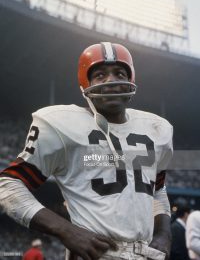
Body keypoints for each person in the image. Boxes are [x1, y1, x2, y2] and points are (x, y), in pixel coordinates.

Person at [0, 42, 173, 260]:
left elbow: (157, 189)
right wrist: (66, 230)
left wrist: (164, 232)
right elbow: (7, 185)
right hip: (95, 254)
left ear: (130, 80)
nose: (111, 80)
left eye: (119, 73)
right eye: (100, 75)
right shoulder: (60, 125)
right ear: (85, 83)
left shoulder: (157, 129)